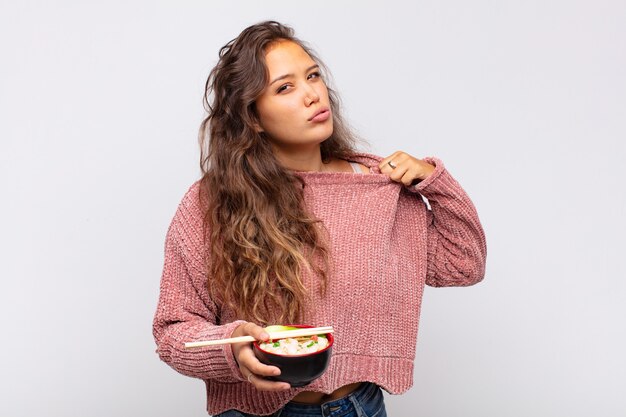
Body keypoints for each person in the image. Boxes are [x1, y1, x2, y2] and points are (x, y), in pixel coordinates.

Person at [153, 20, 486, 417]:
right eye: (285, 87)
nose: (312, 94)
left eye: (312, 76)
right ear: (254, 118)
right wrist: (232, 348)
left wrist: (434, 181)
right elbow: (172, 332)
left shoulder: (377, 190)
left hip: (359, 407)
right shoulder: (210, 204)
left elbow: (463, 263)